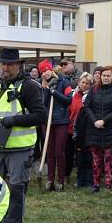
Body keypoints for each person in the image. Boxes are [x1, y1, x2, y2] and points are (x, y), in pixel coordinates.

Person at [0, 48, 46, 223]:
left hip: (20, 149)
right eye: (3, 64)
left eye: (10, 64)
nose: (5, 68)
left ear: (19, 65)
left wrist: (14, 120)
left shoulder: (29, 87)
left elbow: (40, 116)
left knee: (16, 190)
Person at [83, 65, 112, 192]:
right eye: (104, 75)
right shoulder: (94, 89)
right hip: (94, 128)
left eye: (108, 75)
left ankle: (108, 184)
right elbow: (87, 106)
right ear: (100, 76)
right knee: (96, 158)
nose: (106, 77)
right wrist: (95, 121)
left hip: (110, 128)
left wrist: (104, 120)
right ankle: (95, 183)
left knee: (108, 157)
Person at [39, 60, 72, 190]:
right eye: (41, 72)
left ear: (50, 70)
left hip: (61, 121)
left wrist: (54, 92)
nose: (44, 74)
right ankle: (50, 179)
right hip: (47, 122)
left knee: (59, 152)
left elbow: (68, 100)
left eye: (45, 71)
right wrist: (46, 90)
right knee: (50, 152)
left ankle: (61, 180)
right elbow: (43, 103)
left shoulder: (64, 82)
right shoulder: (43, 85)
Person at [69, 72, 93, 188]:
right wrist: (75, 133)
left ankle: (89, 180)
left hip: (89, 133)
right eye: (83, 82)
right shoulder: (74, 95)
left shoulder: (92, 97)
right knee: (79, 160)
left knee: (89, 159)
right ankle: (80, 179)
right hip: (77, 130)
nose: (84, 85)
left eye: (87, 83)